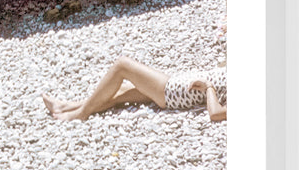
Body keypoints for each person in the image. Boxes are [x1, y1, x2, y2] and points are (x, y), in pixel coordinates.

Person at [43, 59, 226, 123]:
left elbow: (216, 114)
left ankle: (81, 113)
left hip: (171, 92)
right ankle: (67, 106)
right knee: (118, 93)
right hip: (175, 84)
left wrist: (209, 87)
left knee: (122, 66)